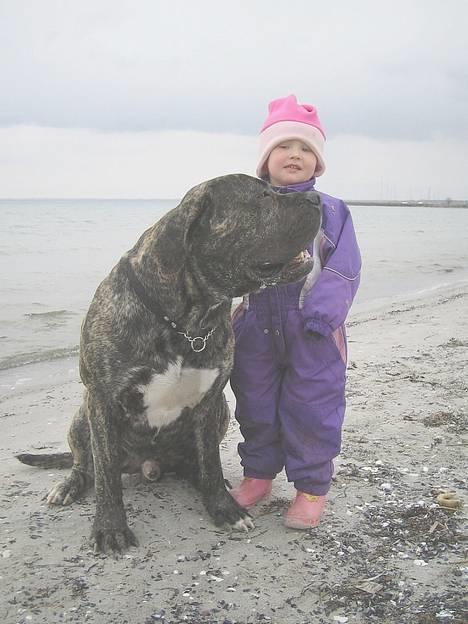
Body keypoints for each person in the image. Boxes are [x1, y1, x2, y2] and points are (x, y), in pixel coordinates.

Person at [230, 94, 361, 529]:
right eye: (285, 146)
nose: (295, 155)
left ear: (317, 162)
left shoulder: (330, 211)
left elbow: (344, 269)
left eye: (306, 149)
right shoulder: (246, 209)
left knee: (313, 407)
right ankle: (258, 475)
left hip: (312, 330)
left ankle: (310, 489)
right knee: (255, 402)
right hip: (254, 328)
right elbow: (223, 263)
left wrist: (322, 317)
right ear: (266, 157)